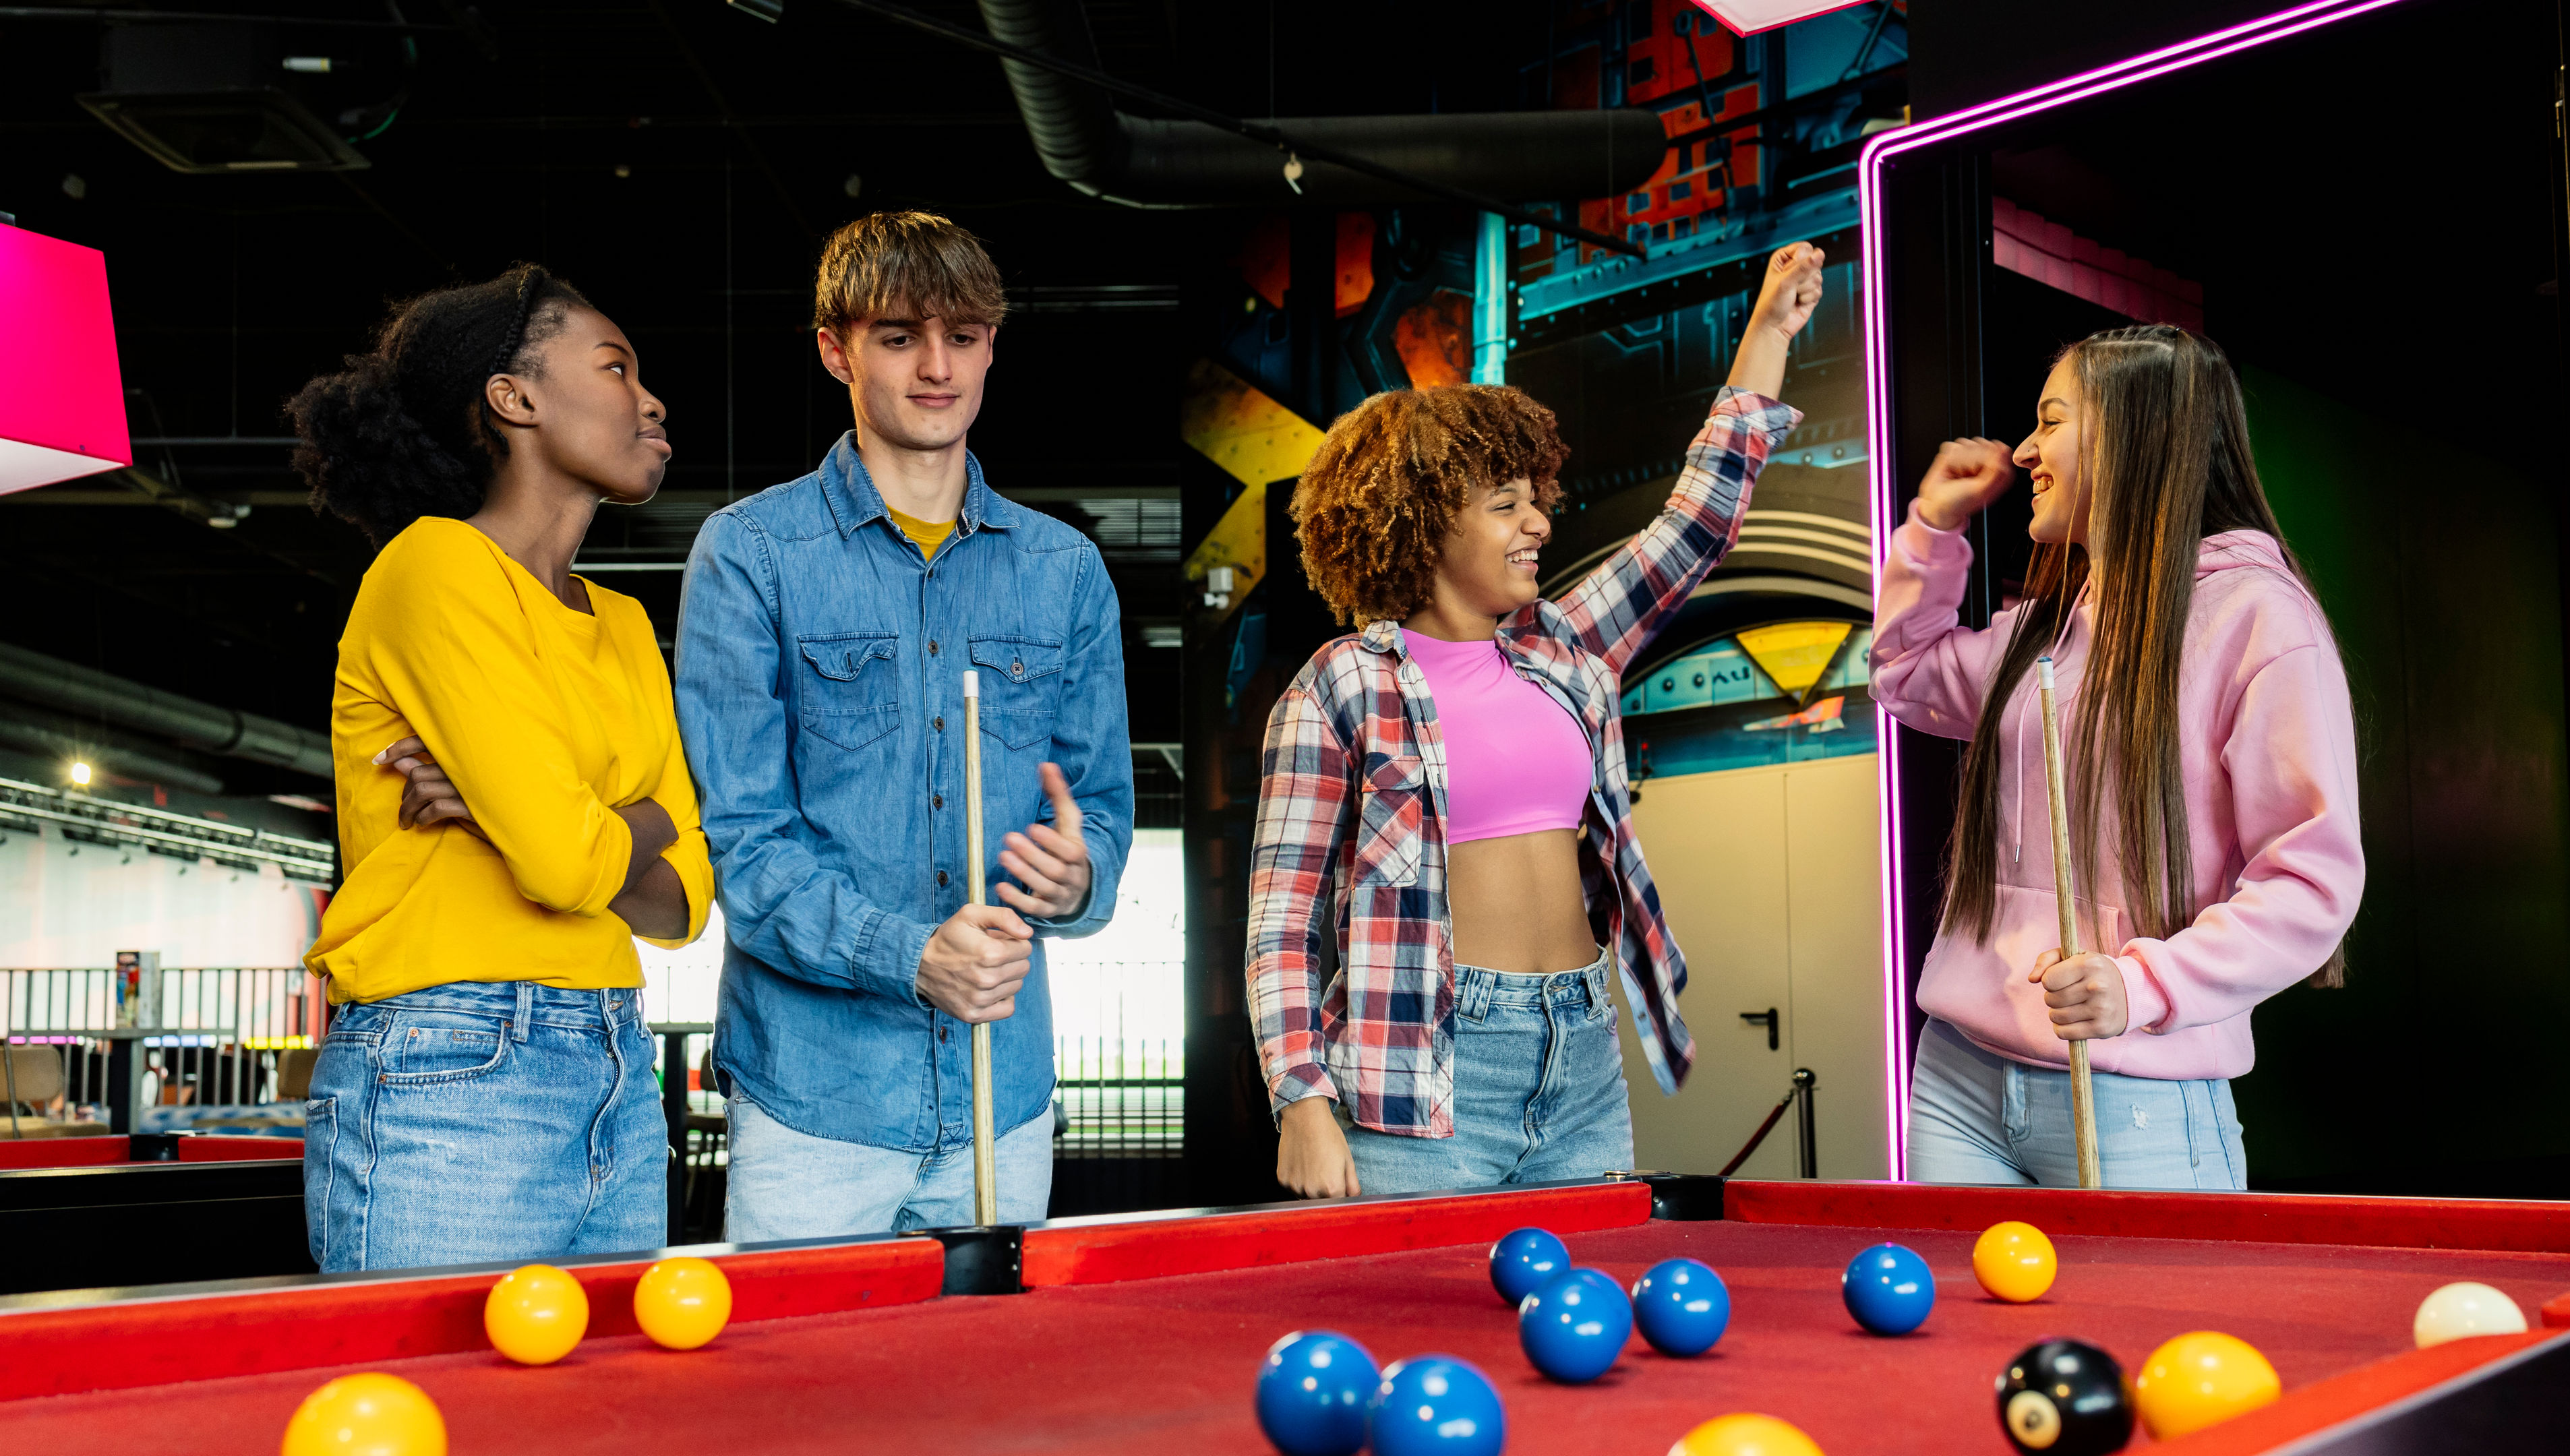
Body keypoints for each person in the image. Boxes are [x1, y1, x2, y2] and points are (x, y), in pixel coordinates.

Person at [1251, 242, 1827, 1199]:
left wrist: (1766, 330)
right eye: (1506, 503)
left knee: (1573, 1328)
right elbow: (1282, 919)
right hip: (1421, 1070)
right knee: (1423, 1335)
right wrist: (1301, 1099)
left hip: (1580, 1048)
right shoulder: (1339, 685)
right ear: (1424, 520)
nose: (1540, 525)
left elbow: (1696, 523)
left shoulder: (1565, 647)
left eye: (1537, 499)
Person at [676, 211, 1133, 1238]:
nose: (937, 367)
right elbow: (743, 847)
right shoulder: (751, 553)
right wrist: (909, 954)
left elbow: (1099, 813)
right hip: (813, 1110)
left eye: (962, 337)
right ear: (836, 348)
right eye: (899, 337)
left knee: (988, 1398)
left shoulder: (1064, 569)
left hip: (1002, 1103)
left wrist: (1081, 876)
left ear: (991, 348)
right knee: (809, 1396)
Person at [1870, 324, 2364, 1190]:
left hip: (2135, 1091)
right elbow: (1905, 677)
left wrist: (2141, 986)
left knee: (2151, 1333)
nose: (2024, 451)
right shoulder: (2047, 627)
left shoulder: (2260, 619)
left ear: (2132, 434)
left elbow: (2312, 885)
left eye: (2050, 421)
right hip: (1956, 1083)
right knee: (1964, 1331)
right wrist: (1931, 528)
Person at [290, 264, 713, 1271]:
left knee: (594, 1417)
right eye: (615, 367)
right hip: (450, 1053)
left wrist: (510, 813)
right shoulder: (434, 566)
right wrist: (627, 815)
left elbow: (687, 901)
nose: (650, 399)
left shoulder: (624, 622)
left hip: (616, 1055)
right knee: (439, 1410)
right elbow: (575, 865)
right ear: (513, 398)